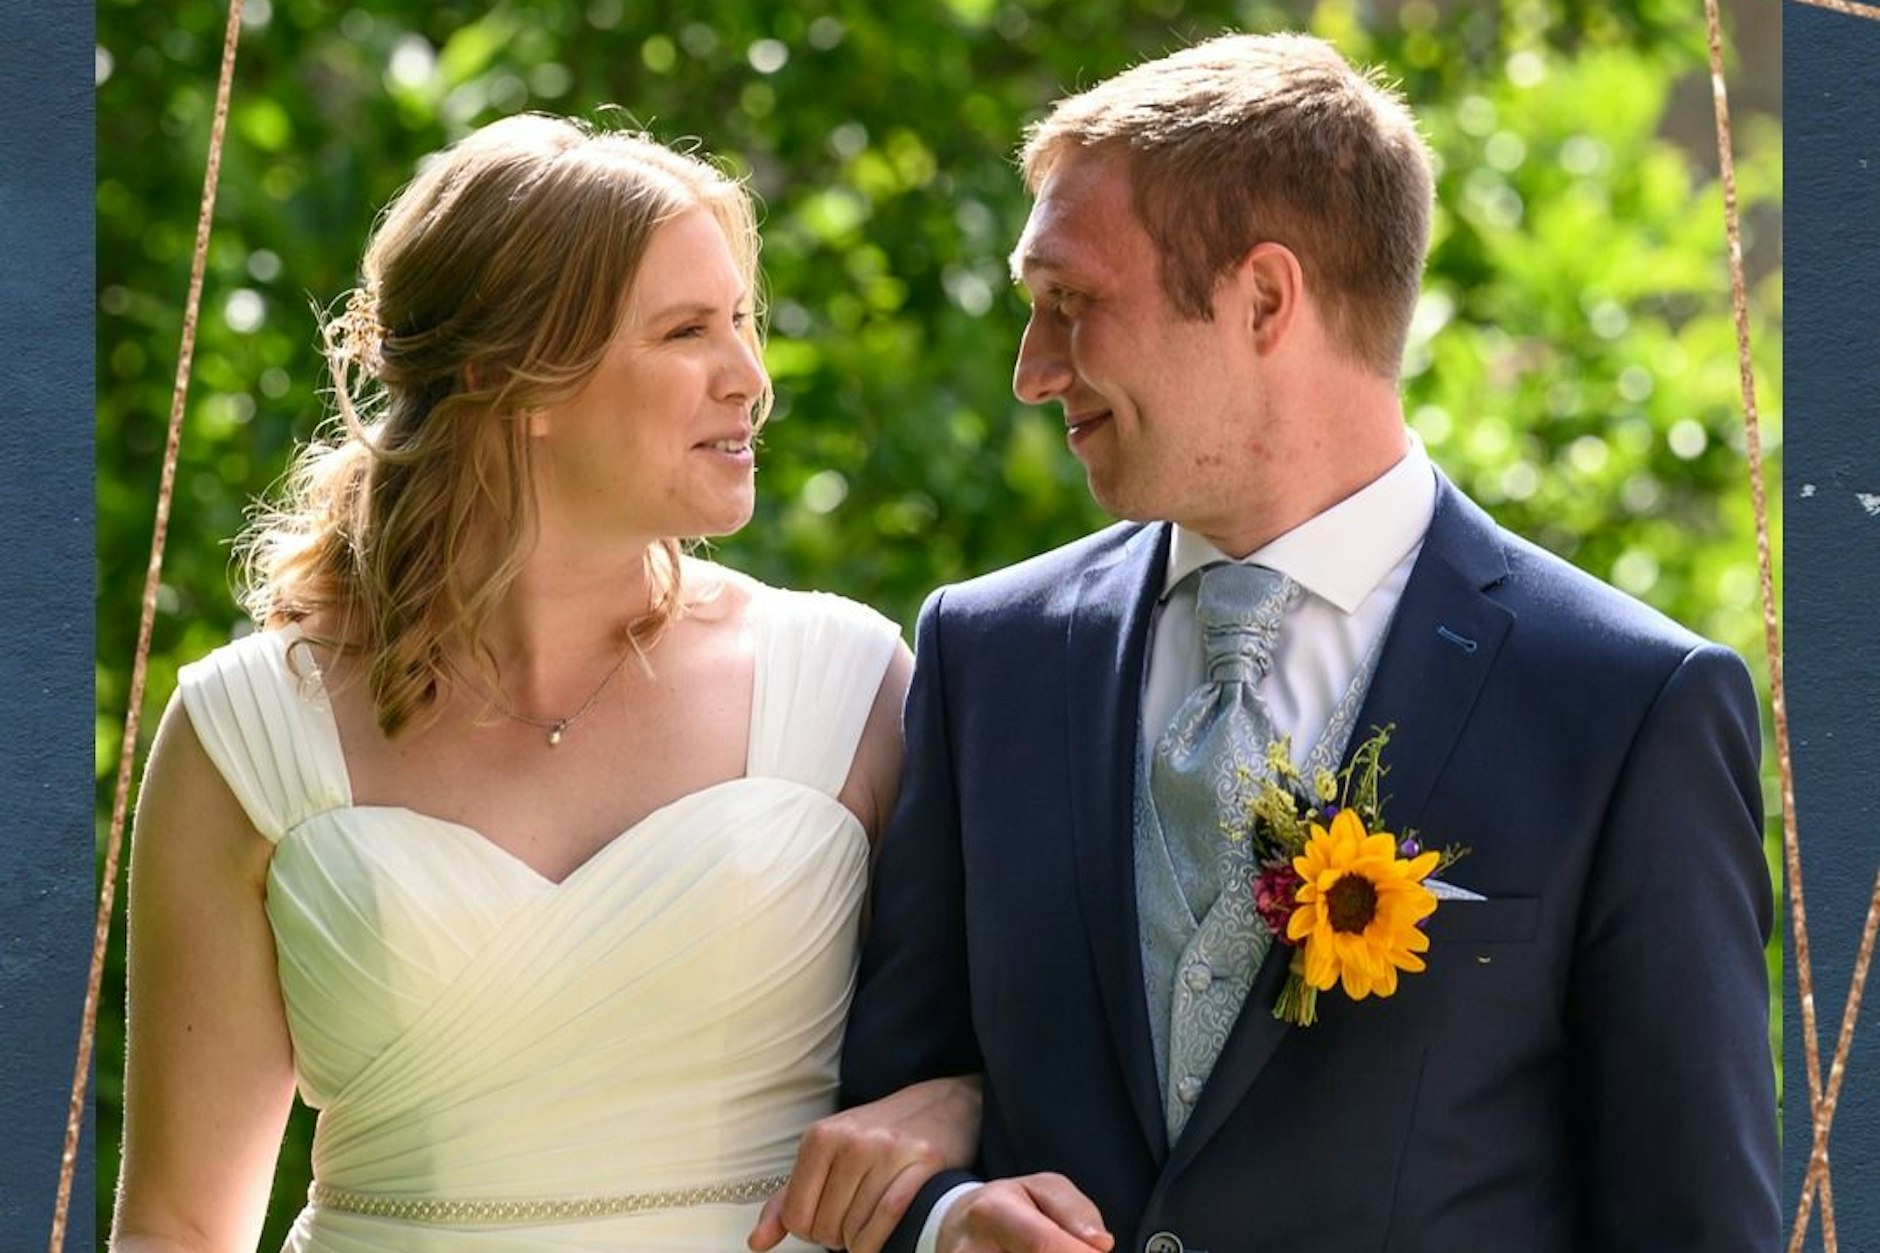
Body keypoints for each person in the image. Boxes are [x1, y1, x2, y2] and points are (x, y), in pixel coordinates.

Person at [815, 31, 1780, 1253]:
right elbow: (888, 1114)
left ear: (1263, 298)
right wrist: (949, 1221)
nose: (1030, 371)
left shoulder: (1625, 704)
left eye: (1070, 304)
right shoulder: (987, 657)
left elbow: (1694, 1222)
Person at [110, 114, 977, 1252]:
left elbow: (1011, 1060)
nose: (750, 380)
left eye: (740, 324)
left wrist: (960, 1107)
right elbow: (176, 1223)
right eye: (685, 333)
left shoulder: (847, 685)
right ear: (513, 380)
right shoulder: (247, 729)